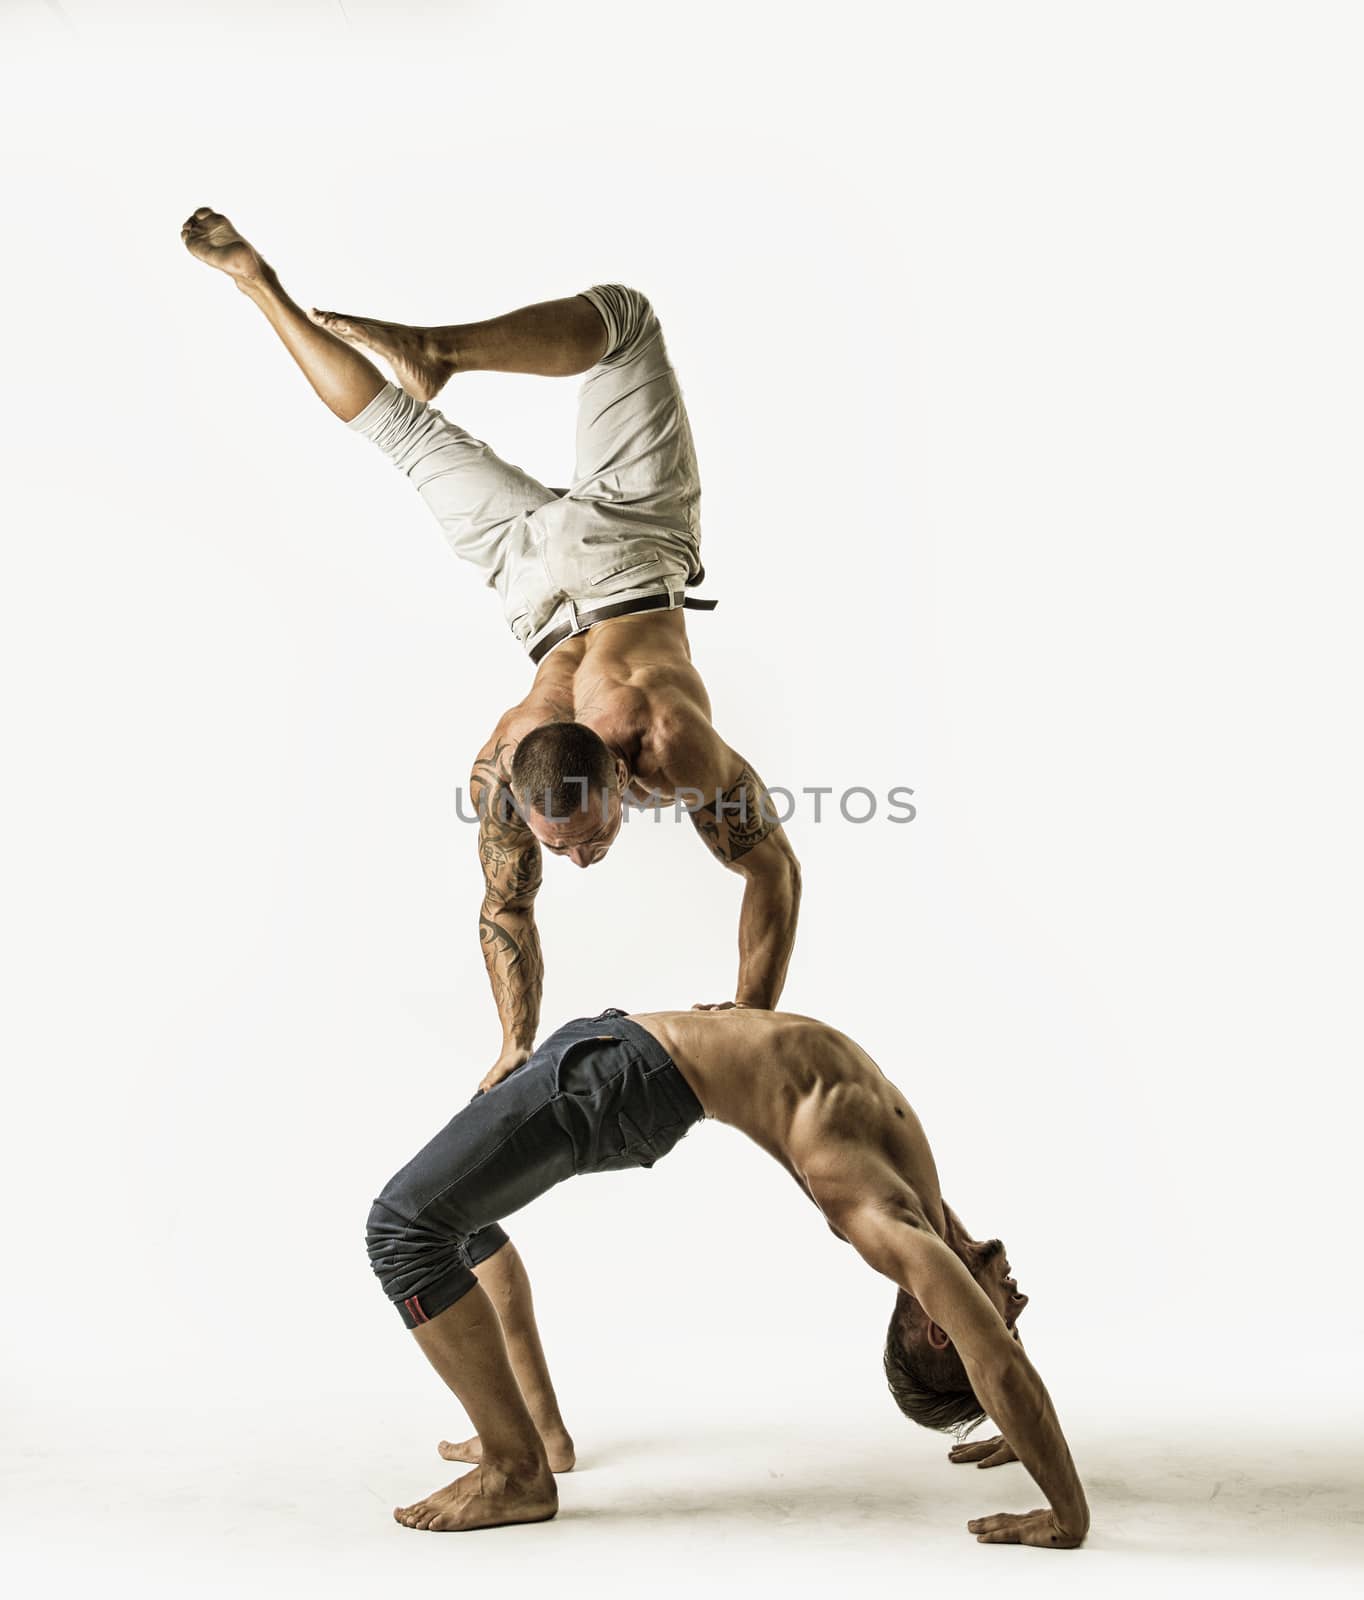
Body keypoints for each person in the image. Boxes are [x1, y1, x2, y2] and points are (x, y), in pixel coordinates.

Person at [181, 210, 801, 1088]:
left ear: (621, 773)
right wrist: (515, 1043)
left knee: (602, 335)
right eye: (569, 845)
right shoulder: (507, 776)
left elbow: (771, 869)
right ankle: (266, 287)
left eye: (584, 840)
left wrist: (754, 1020)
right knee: (447, 409)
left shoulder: (663, 740)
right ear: (523, 794)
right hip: (554, 581)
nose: (582, 857)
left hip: (595, 566)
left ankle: (353, 319)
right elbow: (511, 901)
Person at [364, 1005, 1090, 1549]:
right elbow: (996, 1367)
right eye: (1010, 1321)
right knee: (458, 1213)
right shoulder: (930, 1209)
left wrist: (1067, 1512)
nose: (1017, 1302)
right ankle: (539, 1435)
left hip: (620, 1079)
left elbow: (993, 1362)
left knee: (403, 1229)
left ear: (942, 1329)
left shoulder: (882, 1216)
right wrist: (1015, 1425)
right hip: (618, 1061)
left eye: (1007, 1317)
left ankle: (515, 1472)